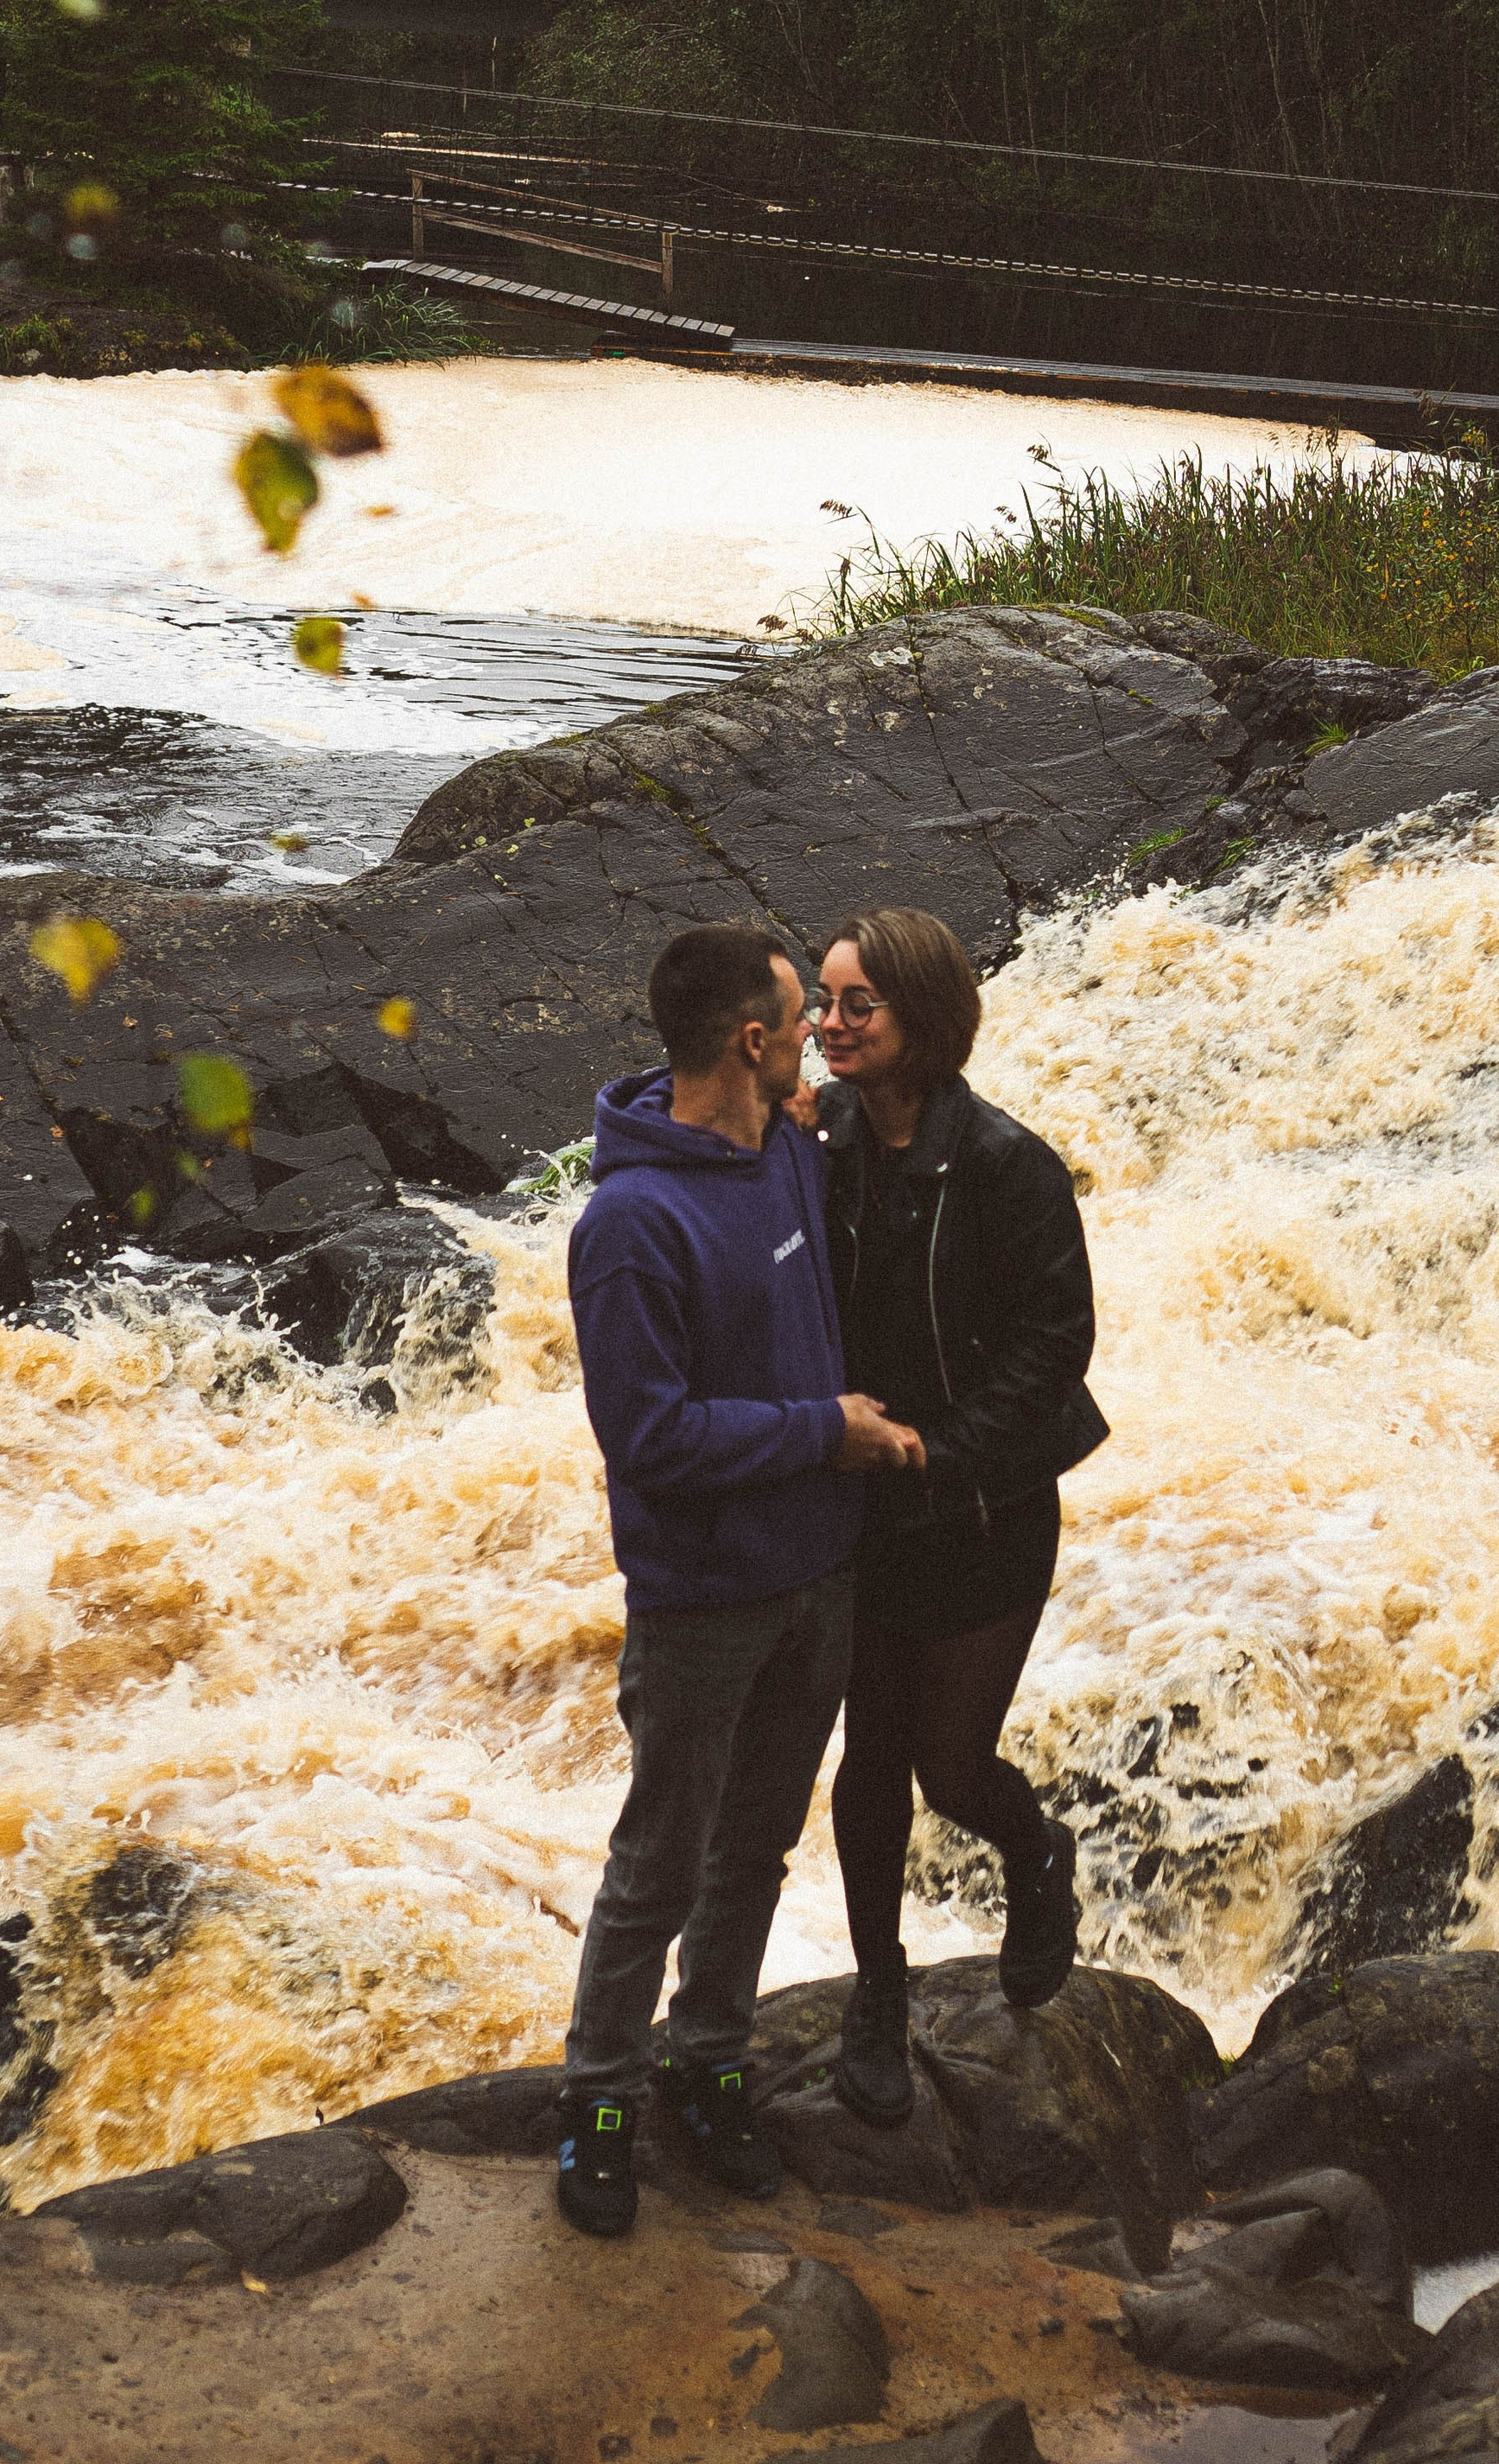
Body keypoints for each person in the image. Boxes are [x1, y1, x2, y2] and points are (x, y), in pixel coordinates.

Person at [555, 922, 924, 2240]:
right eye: (798, 1018)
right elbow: (649, 1439)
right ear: (750, 1043)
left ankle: (706, 2063)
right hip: (704, 1599)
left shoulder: (789, 1155)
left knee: (756, 1850)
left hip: (816, 1576)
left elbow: (879, 1131)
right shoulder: (629, 1226)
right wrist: (824, 1432)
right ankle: (597, 2101)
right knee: (660, 1861)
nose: (820, 1035)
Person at [809, 906, 1106, 2129]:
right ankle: (878, 1995)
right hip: (860, 1501)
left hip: (983, 1506)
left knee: (951, 1765)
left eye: (855, 1006)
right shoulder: (815, 1140)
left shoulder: (1005, 1165)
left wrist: (943, 1450)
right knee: (869, 1761)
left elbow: (1056, 1343)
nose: (828, 1026)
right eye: (821, 1004)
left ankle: (1036, 1858)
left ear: (923, 1020)